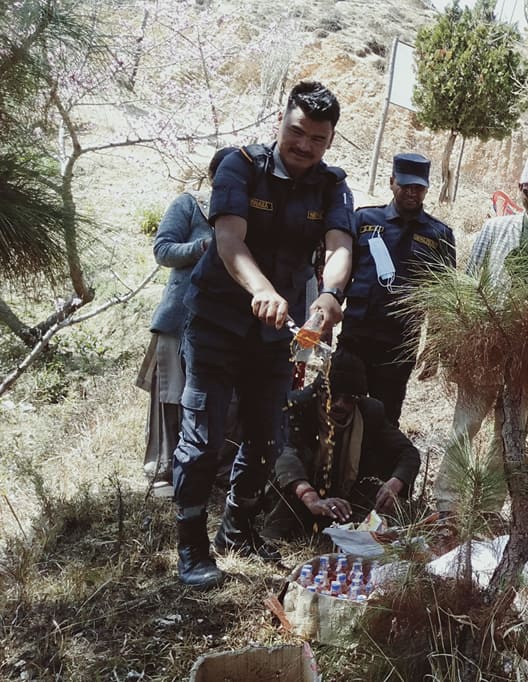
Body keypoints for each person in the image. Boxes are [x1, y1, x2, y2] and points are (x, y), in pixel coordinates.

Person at [172, 80, 355, 587]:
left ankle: (238, 529)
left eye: (318, 139)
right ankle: (191, 548)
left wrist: (329, 296)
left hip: (276, 336)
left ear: (330, 140)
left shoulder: (333, 185)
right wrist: (262, 290)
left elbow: (340, 246)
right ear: (283, 121)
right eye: (298, 132)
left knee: (266, 436)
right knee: (204, 439)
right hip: (217, 321)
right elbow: (228, 239)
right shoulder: (240, 166)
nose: (305, 146)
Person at [432, 156, 528, 514]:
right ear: (519, 191)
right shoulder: (495, 230)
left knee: (510, 435)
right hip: (487, 347)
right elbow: (471, 283)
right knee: (465, 425)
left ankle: (488, 510)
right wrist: (461, 341)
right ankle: (447, 504)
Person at [338, 153, 455, 426]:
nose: (412, 193)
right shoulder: (365, 219)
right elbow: (342, 273)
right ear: (392, 182)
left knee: (384, 421)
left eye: (419, 188)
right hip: (356, 336)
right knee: (338, 411)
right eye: (406, 186)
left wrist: (435, 346)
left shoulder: (439, 235)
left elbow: (442, 296)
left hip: (398, 346)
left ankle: (373, 470)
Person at [264, 351, 421, 540]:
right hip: (303, 491)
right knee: (286, 467)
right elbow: (285, 454)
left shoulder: (370, 412)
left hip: (346, 496)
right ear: (320, 391)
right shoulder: (298, 404)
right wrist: (310, 497)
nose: (339, 405)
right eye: (333, 396)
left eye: (348, 399)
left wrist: (394, 485)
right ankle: (280, 530)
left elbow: (407, 452)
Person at [137, 189, 213, 497]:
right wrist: (203, 246)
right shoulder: (191, 204)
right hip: (180, 317)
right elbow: (163, 249)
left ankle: (210, 470)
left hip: (226, 322)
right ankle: (163, 470)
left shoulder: (252, 208)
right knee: (170, 395)